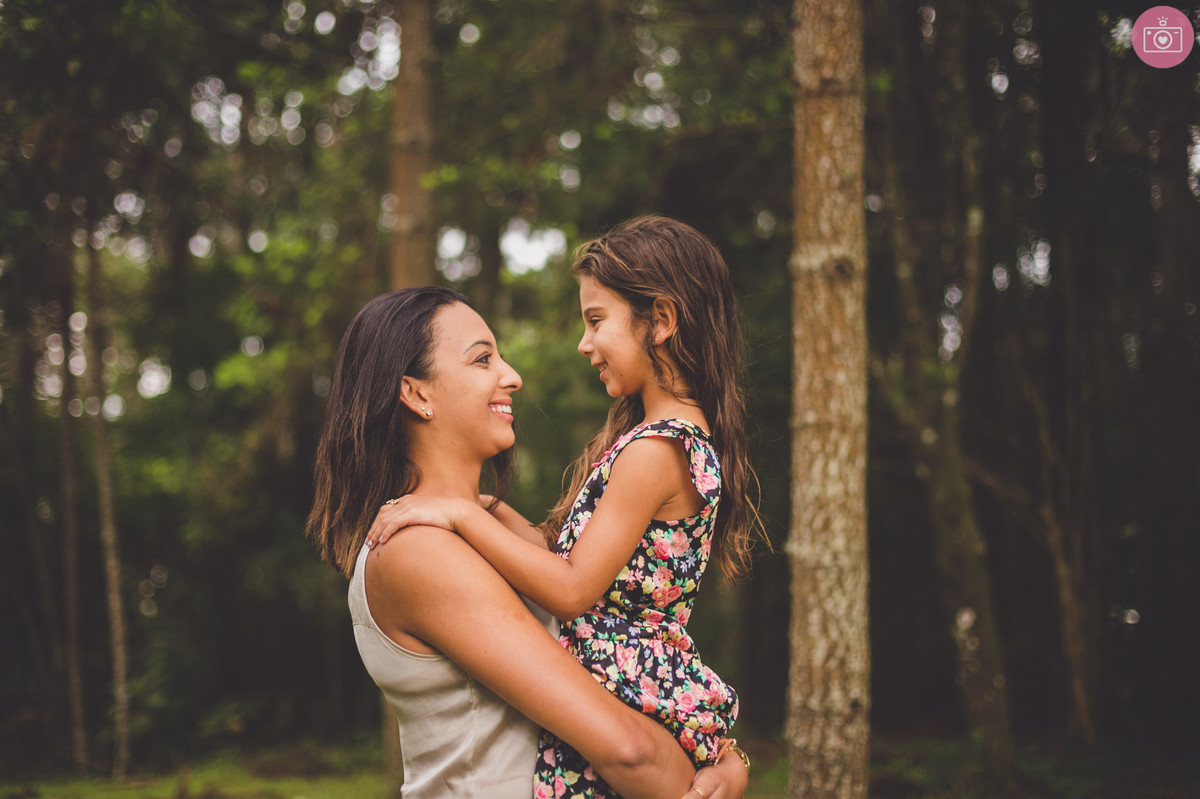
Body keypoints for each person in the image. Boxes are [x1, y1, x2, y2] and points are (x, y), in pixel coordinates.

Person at [367, 216, 760, 798]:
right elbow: (564, 556)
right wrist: (485, 509)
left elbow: (573, 588)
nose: (584, 343)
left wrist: (465, 515)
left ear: (663, 321)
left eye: (597, 320)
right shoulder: (657, 441)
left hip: (625, 673)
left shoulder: (656, 449)